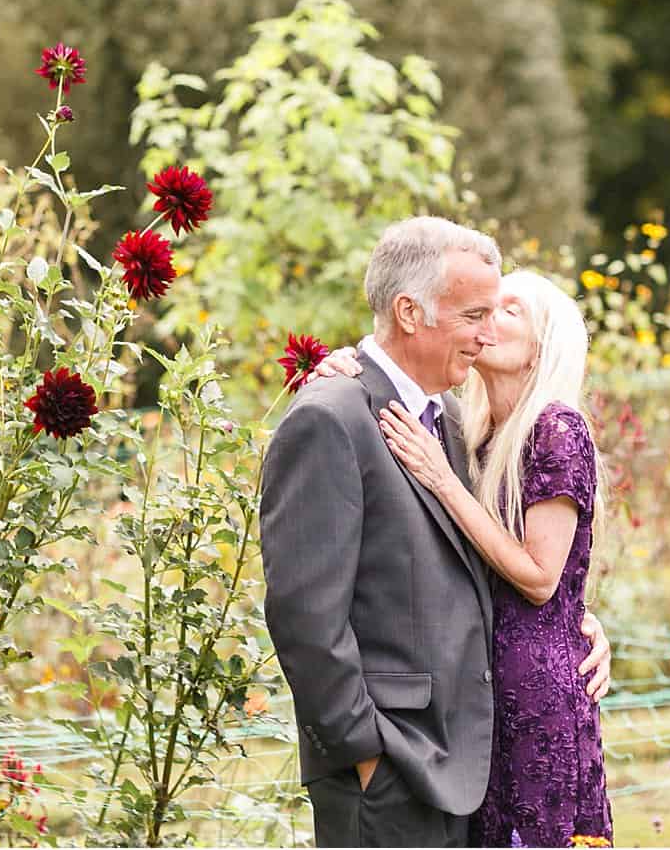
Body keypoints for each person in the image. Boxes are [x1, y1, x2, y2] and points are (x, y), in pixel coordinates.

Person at [260, 217, 611, 849]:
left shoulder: (450, 422)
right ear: (410, 312)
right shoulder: (330, 418)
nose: (485, 335)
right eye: (474, 315)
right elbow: (305, 615)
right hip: (389, 772)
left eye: (498, 316)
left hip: (468, 765)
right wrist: (364, 755)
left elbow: (505, 557)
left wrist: (573, 622)